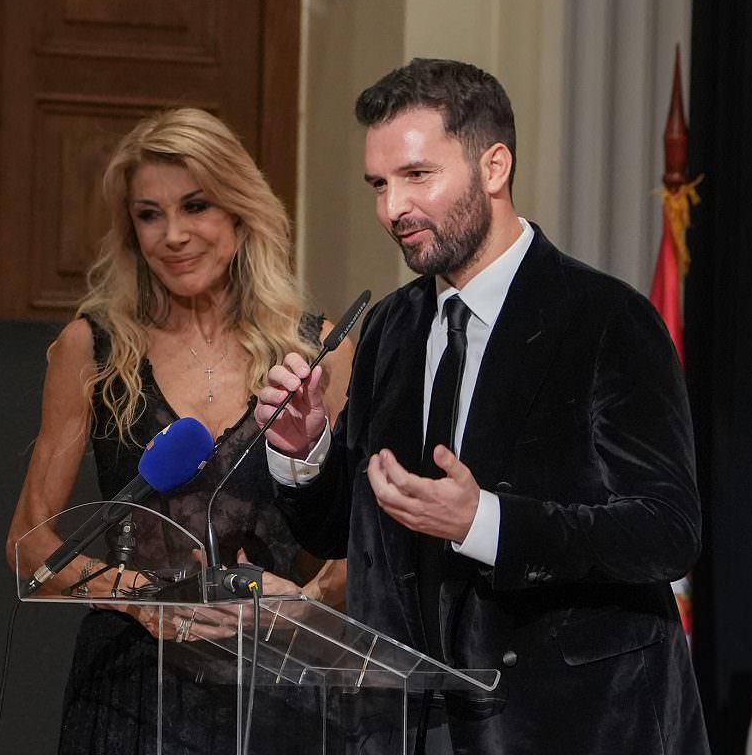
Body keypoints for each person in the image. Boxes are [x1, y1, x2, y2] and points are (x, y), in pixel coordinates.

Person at [257, 59, 710, 753]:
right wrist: (304, 450)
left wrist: (486, 523)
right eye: (379, 184)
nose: (392, 209)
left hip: (575, 728)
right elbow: (352, 533)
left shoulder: (606, 319)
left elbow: (665, 531)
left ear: (494, 167)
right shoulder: (391, 326)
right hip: (410, 724)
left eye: (417, 175)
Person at [6, 107, 352, 754]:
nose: (173, 235)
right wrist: (146, 598)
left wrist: (301, 602)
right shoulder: (93, 348)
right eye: (149, 214)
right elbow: (30, 546)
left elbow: (356, 550)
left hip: (276, 689)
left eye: (196, 206)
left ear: (239, 212)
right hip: (131, 695)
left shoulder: (318, 352)